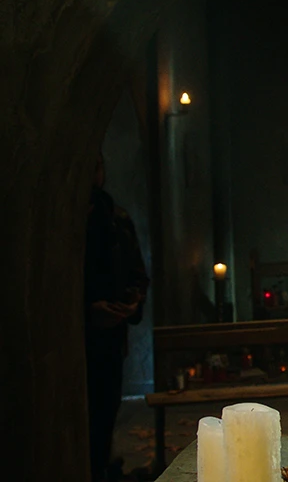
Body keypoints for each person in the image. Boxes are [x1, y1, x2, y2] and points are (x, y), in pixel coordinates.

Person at [84, 153, 150, 481]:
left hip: (111, 339)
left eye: (98, 165)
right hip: (79, 341)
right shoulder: (69, 221)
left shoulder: (117, 219)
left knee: (106, 411)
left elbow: (138, 274)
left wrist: (132, 301)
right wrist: (87, 311)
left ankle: (101, 467)